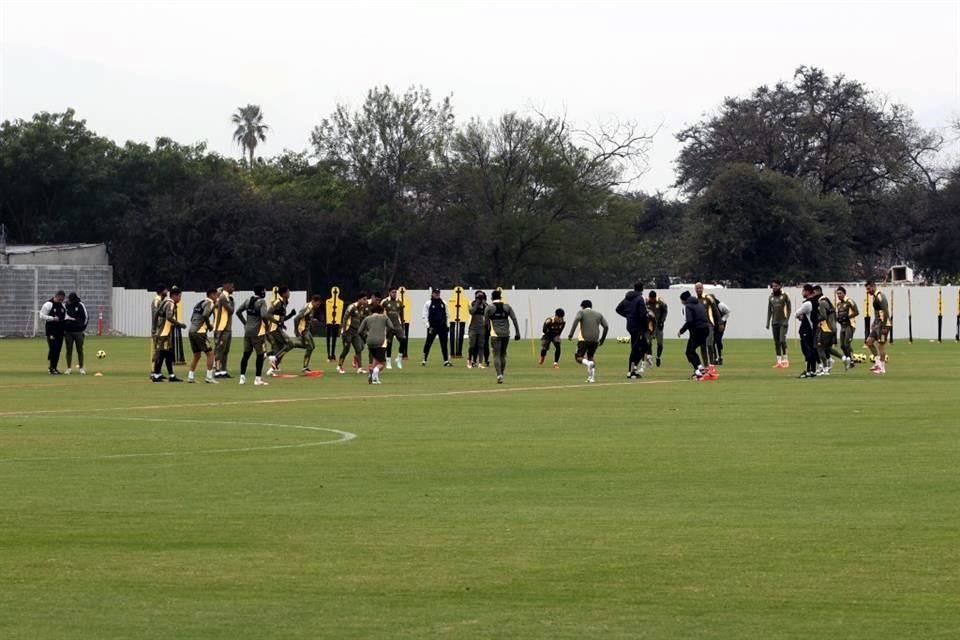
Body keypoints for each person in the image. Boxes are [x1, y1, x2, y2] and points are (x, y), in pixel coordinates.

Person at [358, 302, 404, 384]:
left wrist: (365, 338)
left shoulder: (367, 318)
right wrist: (386, 335)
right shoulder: (384, 317)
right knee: (382, 363)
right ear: (381, 311)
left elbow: (360, 331)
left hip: (370, 342)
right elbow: (391, 327)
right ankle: (375, 374)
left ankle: (372, 376)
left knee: (375, 360)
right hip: (381, 342)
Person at [483, 290, 521, 384]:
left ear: (492, 298)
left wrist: (486, 333)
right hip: (506, 334)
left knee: (496, 355)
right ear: (500, 297)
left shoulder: (489, 308)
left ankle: (499, 375)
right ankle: (502, 374)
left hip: (495, 334)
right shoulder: (507, 307)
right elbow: (514, 319)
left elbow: (486, 323)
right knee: (503, 355)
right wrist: (517, 332)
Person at [567, 299, 609, 383]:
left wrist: (571, 334)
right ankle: (592, 378)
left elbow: (576, 319)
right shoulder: (598, 314)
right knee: (590, 357)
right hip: (595, 339)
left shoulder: (581, 312)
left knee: (578, 357)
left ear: (582, 306)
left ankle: (588, 364)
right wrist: (602, 339)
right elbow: (606, 326)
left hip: (584, 339)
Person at [236, 286, 270, 386]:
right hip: (257, 332)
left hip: (247, 331)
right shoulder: (262, 302)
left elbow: (238, 312)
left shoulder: (248, 300)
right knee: (260, 355)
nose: (265, 292)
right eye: (264, 290)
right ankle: (257, 379)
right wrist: (267, 326)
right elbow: (264, 315)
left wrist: (245, 323)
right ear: (261, 291)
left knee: (246, 355)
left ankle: (242, 378)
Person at [151, 287, 185, 382]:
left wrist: (156, 327)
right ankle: (156, 374)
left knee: (168, 354)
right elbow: (169, 317)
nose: (180, 298)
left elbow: (157, 314)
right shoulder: (170, 303)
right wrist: (179, 324)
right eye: (179, 296)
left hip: (163, 332)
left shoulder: (165, 302)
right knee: (162, 354)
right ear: (174, 296)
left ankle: (171, 375)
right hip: (164, 334)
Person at [615, 282, 649, 379]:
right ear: (642, 288)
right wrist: (646, 327)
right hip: (639, 326)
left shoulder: (627, 298)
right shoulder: (639, 298)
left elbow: (618, 309)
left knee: (638, 347)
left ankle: (633, 370)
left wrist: (628, 316)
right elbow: (642, 314)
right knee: (641, 348)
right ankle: (631, 371)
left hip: (630, 325)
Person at [186, 287, 219, 384]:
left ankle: (190, 376)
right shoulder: (209, 303)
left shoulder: (199, 303)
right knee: (210, 353)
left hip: (191, 331)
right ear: (212, 295)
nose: (217, 297)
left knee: (197, 355)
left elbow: (192, 318)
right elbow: (205, 315)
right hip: (199, 332)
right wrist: (209, 326)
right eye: (216, 295)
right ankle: (209, 377)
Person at [677, 291, 711, 380]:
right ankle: (700, 369)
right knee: (691, 351)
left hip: (698, 331)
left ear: (684, 300)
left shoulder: (688, 306)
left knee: (690, 352)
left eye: (681, 301)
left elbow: (689, 321)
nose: (681, 303)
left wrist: (681, 331)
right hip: (705, 330)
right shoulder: (698, 304)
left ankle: (699, 373)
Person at [266, 286, 297, 376]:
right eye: (288, 292)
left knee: (281, 349)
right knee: (290, 344)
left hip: (278, 328)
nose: (289, 294)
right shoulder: (278, 302)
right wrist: (277, 323)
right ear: (283, 294)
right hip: (274, 329)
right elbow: (268, 313)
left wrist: (284, 322)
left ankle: (271, 369)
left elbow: (281, 317)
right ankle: (274, 358)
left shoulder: (285, 303)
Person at [813, 285, 844, 375]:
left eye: (814, 292)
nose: (814, 295)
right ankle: (843, 358)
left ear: (819, 291)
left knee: (820, 347)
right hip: (832, 328)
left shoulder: (822, 302)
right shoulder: (828, 301)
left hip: (826, 328)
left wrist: (816, 319)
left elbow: (823, 316)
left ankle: (825, 368)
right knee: (827, 348)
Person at [694, 282, 721, 375]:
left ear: (703, 288)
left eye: (700, 288)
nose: (699, 290)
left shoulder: (708, 298)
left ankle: (712, 366)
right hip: (699, 326)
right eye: (697, 288)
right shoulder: (695, 300)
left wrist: (720, 322)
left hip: (709, 324)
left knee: (709, 344)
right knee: (702, 346)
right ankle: (706, 367)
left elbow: (716, 310)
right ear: (695, 289)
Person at [337, 292, 367, 374]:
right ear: (359, 299)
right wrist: (343, 331)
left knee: (359, 348)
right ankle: (339, 366)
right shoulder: (352, 307)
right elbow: (345, 319)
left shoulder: (362, 307)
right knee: (346, 349)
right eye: (364, 299)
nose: (365, 301)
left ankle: (359, 368)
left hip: (355, 332)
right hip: (348, 331)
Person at [422, 287, 452, 367]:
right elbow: (424, 315)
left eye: (438, 293)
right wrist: (428, 325)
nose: (437, 295)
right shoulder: (428, 303)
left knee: (444, 344)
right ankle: (424, 360)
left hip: (442, 327)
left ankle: (446, 361)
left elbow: (447, 315)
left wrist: (447, 325)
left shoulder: (443, 303)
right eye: (435, 293)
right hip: (432, 327)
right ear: (432, 294)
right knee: (428, 343)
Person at [865, 281, 891, 375]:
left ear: (873, 287)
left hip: (883, 324)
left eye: (869, 289)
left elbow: (885, 311)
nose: (868, 291)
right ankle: (878, 363)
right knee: (869, 342)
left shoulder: (880, 296)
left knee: (881, 345)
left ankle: (882, 368)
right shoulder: (875, 297)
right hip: (877, 324)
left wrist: (884, 325)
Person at [39, 290, 67, 374]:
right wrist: (52, 318)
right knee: (53, 348)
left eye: (63, 299)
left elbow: (64, 316)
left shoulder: (62, 306)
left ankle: (54, 367)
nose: (61, 301)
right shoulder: (48, 304)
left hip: (60, 331)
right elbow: (41, 316)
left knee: (58, 349)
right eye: (60, 299)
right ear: (57, 296)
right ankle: (51, 368)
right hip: (51, 331)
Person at [794, 284, 819, 379]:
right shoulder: (816, 301)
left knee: (807, 350)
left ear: (807, 291)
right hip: (813, 329)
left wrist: (801, 316)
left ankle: (809, 371)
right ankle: (812, 370)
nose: (802, 293)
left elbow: (796, 313)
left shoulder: (808, 303)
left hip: (807, 329)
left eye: (803, 291)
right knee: (811, 350)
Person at [294, 294, 322, 373]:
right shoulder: (308, 308)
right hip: (303, 330)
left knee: (312, 346)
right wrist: (296, 331)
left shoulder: (311, 307)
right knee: (309, 347)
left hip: (307, 329)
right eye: (318, 304)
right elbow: (296, 319)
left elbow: (305, 318)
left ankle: (293, 345)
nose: (318, 306)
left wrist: (312, 320)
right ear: (313, 301)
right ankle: (305, 368)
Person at [766, 280, 792, 368]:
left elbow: (789, 308)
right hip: (774, 322)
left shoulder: (785, 296)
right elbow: (769, 310)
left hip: (783, 322)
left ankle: (785, 359)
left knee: (782, 340)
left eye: (776, 286)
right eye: (773, 286)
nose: (774, 288)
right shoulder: (771, 297)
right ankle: (779, 361)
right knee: (776, 342)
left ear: (780, 286)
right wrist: (768, 322)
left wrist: (787, 319)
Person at [149, 284, 173, 379]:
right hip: (158, 329)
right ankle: (153, 372)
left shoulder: (161, 300)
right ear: (162, 291)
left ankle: (157, 371)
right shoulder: (157, 300)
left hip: (159, 328)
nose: (167, 292)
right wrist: (155, 328)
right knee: (157, 351)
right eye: (166, 290)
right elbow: (156, 314)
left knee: (161, 351)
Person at [213, 281, 236, 378]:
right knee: (219, 350)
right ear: (227, 286)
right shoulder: (222, 297)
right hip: (221, 328)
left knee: (225, 351)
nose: (234, 289)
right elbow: (231, 310)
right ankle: (217, 371)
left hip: (227, 328)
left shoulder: (227, 298)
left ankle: (223, 371)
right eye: (232, 287)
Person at [63, 292, 88, 374]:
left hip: (78, 332)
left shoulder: (81, 305)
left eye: (70, 300)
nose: (68, 301)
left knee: (80, 350)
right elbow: (63, 317)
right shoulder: (65, 306)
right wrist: (65, 327)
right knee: (69, 350)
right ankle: (69, 368)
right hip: (68, 332)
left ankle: (81, 368)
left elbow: (86, 317)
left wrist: (82, 328)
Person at [381, 287, 406, 370]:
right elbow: (380, 312)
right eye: (392, 292)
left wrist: (402, 325)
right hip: (389, 326)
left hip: (397, 326)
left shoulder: (399, 302)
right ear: (389, 293)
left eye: (395, 292)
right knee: (389, 344)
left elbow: (402, 315)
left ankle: (399, 358)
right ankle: (388, 362)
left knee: (403, 340)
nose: (394, 294)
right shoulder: (385, 302)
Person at [835, 286, 860, 369]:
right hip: (843, 326)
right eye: (837, 294)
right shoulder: (838, 304)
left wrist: (848, 317)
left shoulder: (849, 301)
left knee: (846, 344)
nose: (839, 295)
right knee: (842, 345)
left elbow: (857, 312)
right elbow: (839, 314)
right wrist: (838, 319)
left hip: (850, 325)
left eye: (840, 293)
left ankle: (851, 359)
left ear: (844, 293)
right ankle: (849, 358)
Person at [467, 290, 489, 369]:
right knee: (472, 345)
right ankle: (469, 361)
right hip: (473, 327)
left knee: (481, 345)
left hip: (481, 327)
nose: (479, 298)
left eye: (481, 296)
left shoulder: (484, 304)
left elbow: (489, 310)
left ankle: (480, 362)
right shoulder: (472, 303)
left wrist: (483, 302)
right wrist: (476, 303)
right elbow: (471, 311)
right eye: (478, 296)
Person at [646, 291, 667, 367]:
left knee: (660, 343)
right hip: (650, 326)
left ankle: (658, 357)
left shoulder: (660, 303)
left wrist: (662, 321)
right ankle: (650, 358)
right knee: (648, 343)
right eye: (650, 298)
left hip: (658, 326)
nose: (652, 300)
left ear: (655, 297)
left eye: (653, 298)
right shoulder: (646, 303)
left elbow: (665, 311)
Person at [714, 300, 731, 365]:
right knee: (713, 341)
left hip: (721, 324)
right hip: (714, 324)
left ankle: (720, 357)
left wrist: (722, 321)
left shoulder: (721, 305)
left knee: (718, 339)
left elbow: (728, 311)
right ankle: (715, 358)